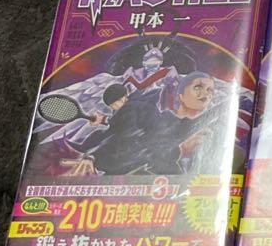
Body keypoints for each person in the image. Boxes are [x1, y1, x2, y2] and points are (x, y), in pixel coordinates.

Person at [82, 71, 221, 176]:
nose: (205, 94)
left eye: (209, 90)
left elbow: (123, 132)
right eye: (198, 88)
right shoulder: (137, 111)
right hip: (149, 166)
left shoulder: (135, 110)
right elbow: (123, 133)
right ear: (181, 96)